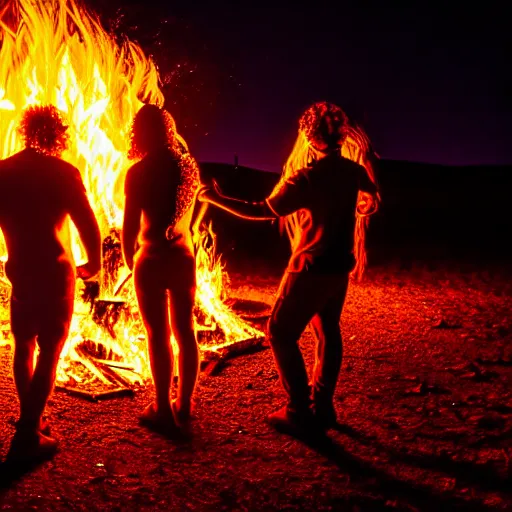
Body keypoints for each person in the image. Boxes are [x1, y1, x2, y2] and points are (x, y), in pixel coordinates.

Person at [198, 102, 380, 434]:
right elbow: (372, 195)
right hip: (339, 266)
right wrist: (367, 204)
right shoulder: (352, 171)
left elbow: (262, 211)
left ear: (310, 138)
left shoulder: (306, 178)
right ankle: (324, 408)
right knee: (328, 331)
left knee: (280, 333)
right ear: (340, 135)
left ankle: (298, 410)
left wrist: (214, 198)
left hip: (308, 268)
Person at [0, 105, 101, 461]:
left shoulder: (3, 171)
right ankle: (29, 434)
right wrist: (96, 263)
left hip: (20, 269)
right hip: (56, 272)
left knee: (23, 344)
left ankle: (33, 419)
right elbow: (87, 222)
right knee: (49, 348)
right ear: (58, 134)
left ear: (27, 132)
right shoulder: (63, 173)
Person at [122, 104, 200, 436]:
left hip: (151, 258)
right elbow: (189, 215)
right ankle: (185, 403)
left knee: (158, 335)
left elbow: (128, 227)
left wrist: (130, 259)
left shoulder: (138, 173)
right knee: (186, 332)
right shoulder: (187, 167)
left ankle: (163, 409)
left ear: (139, 133)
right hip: (183, 256)